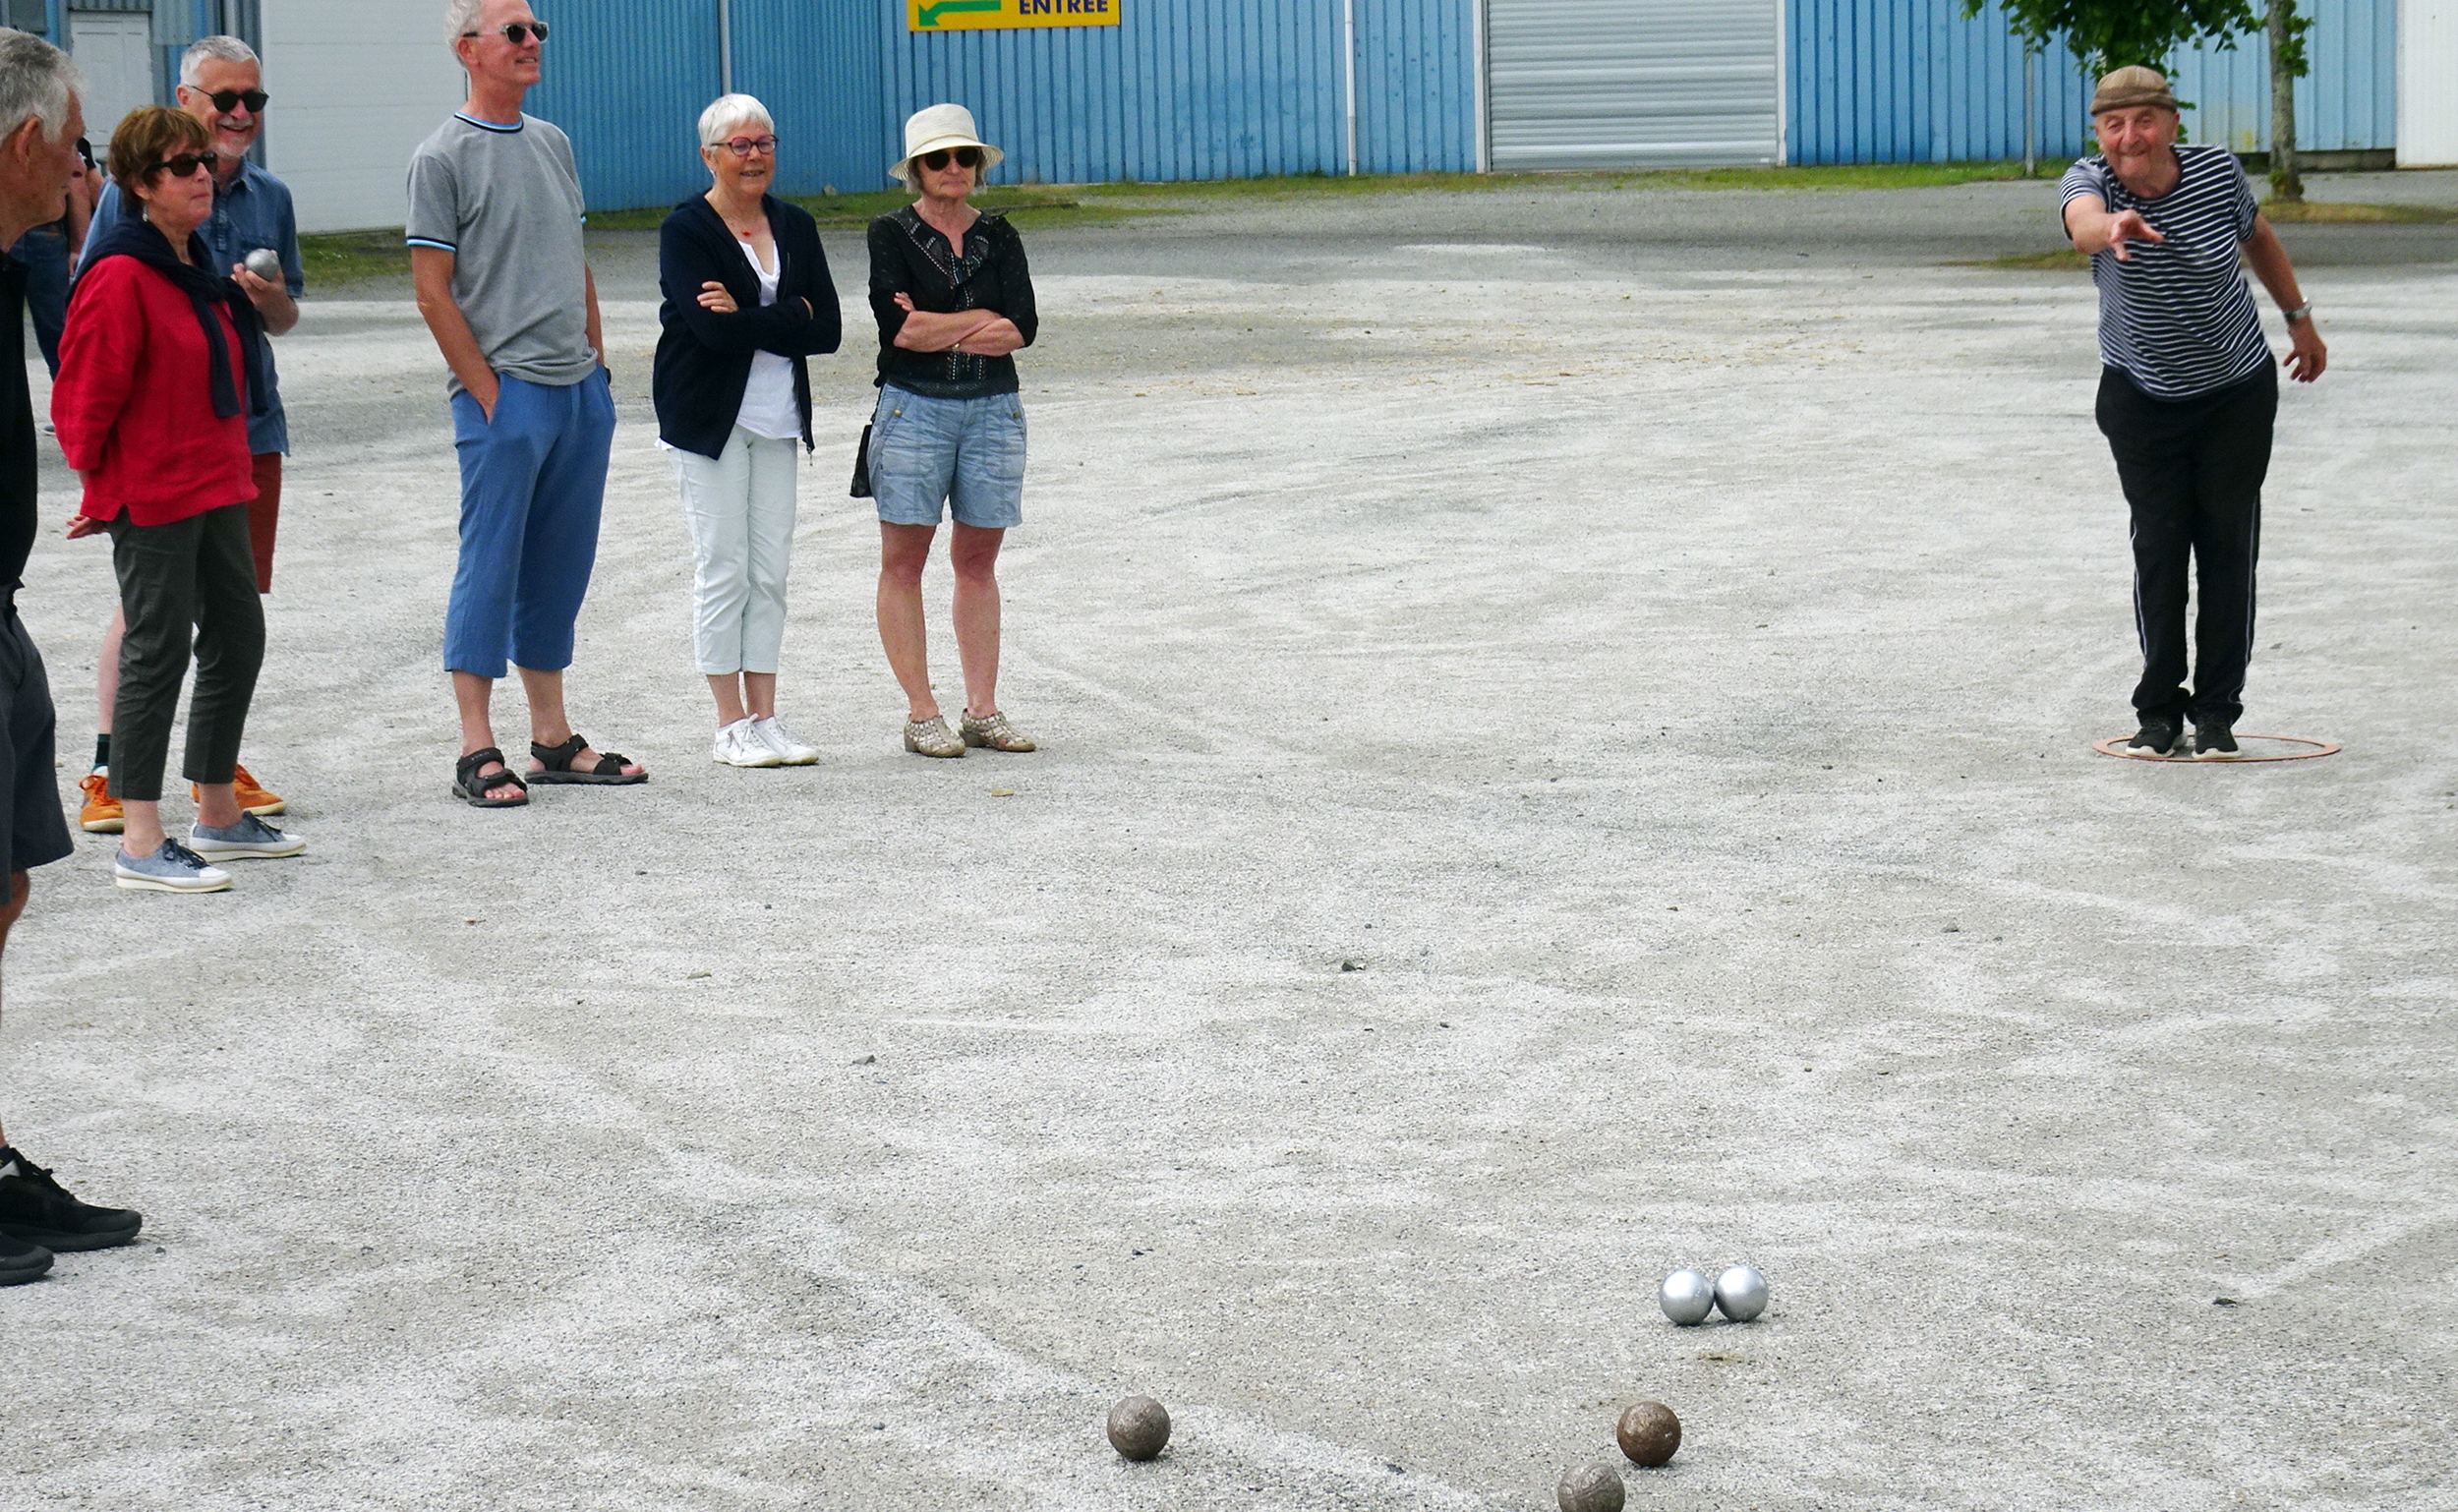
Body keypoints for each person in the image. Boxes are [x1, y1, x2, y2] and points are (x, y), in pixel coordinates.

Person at [54, 105, 305, 893]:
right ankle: (139, 837)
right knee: (155, 650)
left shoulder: (197, 264)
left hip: (218, 477)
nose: (203, 174)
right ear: (138, 184)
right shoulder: (120, 274)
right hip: (153, 491)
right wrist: (101, 491)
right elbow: (81, 400)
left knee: (238, 634)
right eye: (181, 166)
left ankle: (219, 812)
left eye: (204, 161)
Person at [410, 0, 641, 807]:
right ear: (467, 49)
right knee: (490, 563)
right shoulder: (440, 157)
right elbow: (432, 293)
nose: (533, 41)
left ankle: (552, 738)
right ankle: (476, 747)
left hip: (577, 392)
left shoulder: (552, 142)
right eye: (515, 31)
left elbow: (575, 261)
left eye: (537, 29)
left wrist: (597, 371)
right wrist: (489, 394)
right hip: (506, 396)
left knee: (560, 566)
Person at [2059, 66, 2326, 759]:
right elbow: (2083, 225)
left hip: (2235, 393)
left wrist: (2298, 318)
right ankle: (2157, 712)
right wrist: (2110, 226)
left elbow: (2258, 237)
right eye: (2114, 124)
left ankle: (2216, 712)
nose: (2130, 137)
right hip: (2141, 398)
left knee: (2227, 544)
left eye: (2145, 120)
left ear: (2173, 124)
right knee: (2160, 547)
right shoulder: (2089, 181)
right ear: (2098, 133)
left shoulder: (2216, 173)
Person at [0, 27, 144, 1288]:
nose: (81, 171)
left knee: (3, 890)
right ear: (24, 142)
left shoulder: (15, 264)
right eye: (76, 145)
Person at [653, 93, 840, 767]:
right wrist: (792, 312)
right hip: (709, 419)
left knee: (770, 571)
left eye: (765, 143)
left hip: (777, 417)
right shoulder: (686, 230)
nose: (755, 155)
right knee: (724, 565)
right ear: (710, 156)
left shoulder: (795, 224)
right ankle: (728, 724)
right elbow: (712, 333)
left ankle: (765, 716)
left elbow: (828, 329)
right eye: (740, 145)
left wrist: (756, 316)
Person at [866, 104, 1038, 759]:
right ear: (917, 169)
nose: (954, 168)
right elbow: (902, 331)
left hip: (994, 408)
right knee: (904, 561)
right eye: (939, 159)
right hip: (914, 408)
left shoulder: (1000, 233)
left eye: (965, 157)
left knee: (978, 561)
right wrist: (979, 318)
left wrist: (940, 326)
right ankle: (922, 712)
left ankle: (982, 709)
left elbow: (1022, 327)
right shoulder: (889, 233)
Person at [4, 129, 88, 376]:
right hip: (46, 235)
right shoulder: (60, 137)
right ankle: (71, 391)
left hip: (9, 233)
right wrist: (78, 247)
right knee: (58, 332)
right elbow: (80, 188)